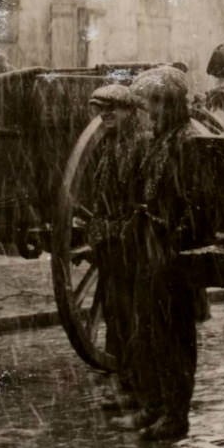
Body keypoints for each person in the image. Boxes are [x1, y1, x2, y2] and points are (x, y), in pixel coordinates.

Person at [112, 65, 207, 441]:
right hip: (150, 243)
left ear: (174, 105)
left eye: (159, 104)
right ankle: (152, 406)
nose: (153, 112)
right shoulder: (157, 139)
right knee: (146, 330)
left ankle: (176, 415)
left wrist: (178, 242)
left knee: (174, 336)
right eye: (150, 104)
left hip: (173, 249)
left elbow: (197, 201)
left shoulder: (189, 141)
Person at [85, 83, 146, 412]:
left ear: (130, 112)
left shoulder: (138, 146)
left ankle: (136, 384)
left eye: (115, 109)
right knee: (115, 311)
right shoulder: (109, 147)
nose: (106, 115)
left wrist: (128, 231)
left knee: (131, 313)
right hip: (109, 240)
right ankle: (123, 379)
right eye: (101, 109)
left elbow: (141, 200)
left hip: (130, 242)